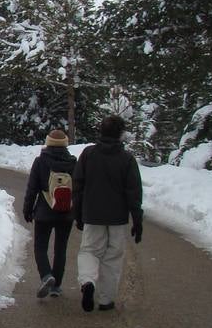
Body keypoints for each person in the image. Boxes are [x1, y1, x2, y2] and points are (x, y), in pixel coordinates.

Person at [73, 114, 143, 313]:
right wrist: (137, 220)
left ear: (101, 132)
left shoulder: (88, 154)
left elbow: (78, 186)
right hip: (117, 218)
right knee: (112, 257)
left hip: (92, 214)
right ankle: (106, 300)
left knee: (89, 251)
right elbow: (134, 192)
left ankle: (88, 282)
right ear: (121, 134)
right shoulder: (127, 159)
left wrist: (77, 213)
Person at [23, 129, 78, 299]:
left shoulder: (40, 162)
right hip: (66, 213)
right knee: (60, 249)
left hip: (44, 211)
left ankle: (47, 275)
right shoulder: (73, 162)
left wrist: (28, 209)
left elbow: (32, 189)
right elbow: (78, 189)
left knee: (40, 247)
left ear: (48, 143)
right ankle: (57, 287)